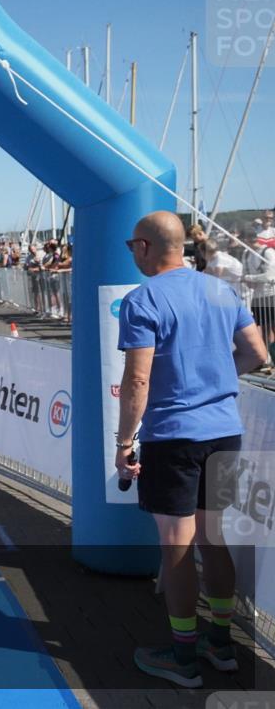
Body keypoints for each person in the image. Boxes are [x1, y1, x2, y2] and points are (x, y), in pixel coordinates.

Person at [115, 211, 267, 688]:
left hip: (175, 436)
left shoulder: (143, 299)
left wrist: (124, 443)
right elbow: (258, 355)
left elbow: (138, 379)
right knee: (212, 538)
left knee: (176, 548)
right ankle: (219, 644)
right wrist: (215, 383)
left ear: (143, 247)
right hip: (223, 430)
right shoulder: (223, 289)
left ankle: (182, 658)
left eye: (131, 246)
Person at [241, 230, 275, 368]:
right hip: (258, 297)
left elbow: (270, 275)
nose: (249, 242)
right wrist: (248, 278)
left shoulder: (268, 252)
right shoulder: (246, 253)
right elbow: (243, 274)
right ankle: (264, 359)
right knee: (264, 329)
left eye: (252, 239)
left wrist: (250, 278)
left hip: (272, 295)